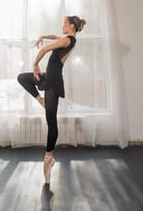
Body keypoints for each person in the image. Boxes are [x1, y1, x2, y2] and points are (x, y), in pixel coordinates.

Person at [17, 15, 86, 184]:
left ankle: (49, 157)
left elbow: (44, 50)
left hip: (53, 83)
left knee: (51, 122)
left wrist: (35, 64)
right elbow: (55, 38)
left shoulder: (68, 40)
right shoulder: (68, 39)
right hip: (48, 78)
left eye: (64, 24)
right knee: (22, 78)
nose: (62, 26)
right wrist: (43, 36)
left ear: (70, 26)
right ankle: (40, 99)